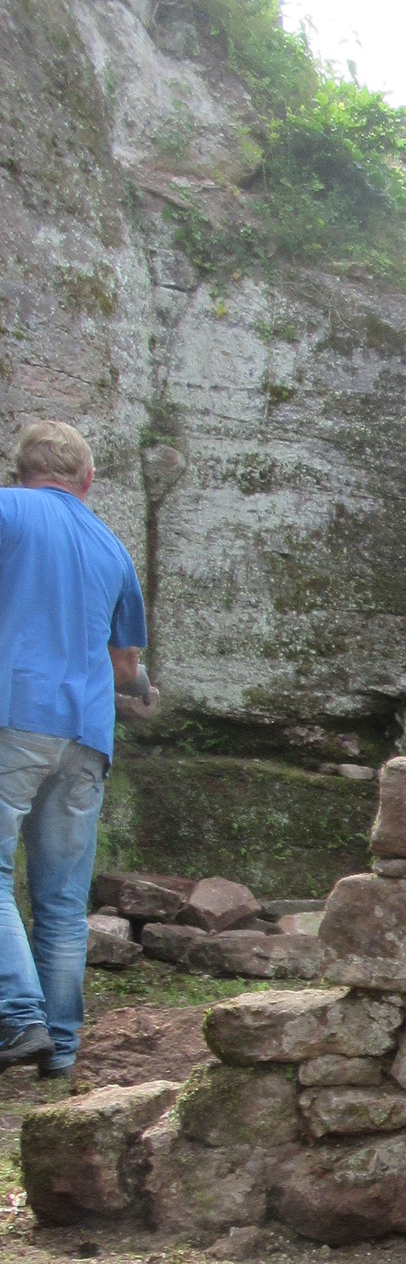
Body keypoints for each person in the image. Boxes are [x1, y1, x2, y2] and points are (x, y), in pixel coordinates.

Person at [0, 419, 159, 1074]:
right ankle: (61, 1051)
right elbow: (126, 667)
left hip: (16, 718)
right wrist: (143, 686)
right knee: (64, 900)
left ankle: (19, 1017)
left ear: (18, 472)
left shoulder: (8, 510)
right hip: (87, 737)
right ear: (87, 481)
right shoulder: (112, 548)